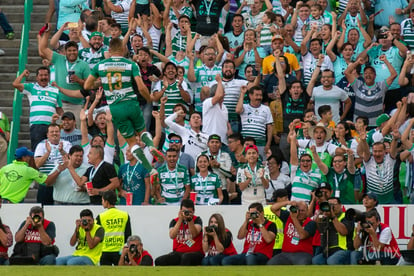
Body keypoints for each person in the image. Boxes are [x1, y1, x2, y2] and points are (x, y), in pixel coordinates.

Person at [84, 37, 163, 176]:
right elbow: (141, 86)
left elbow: (87, 85)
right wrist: (149, 98)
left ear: (109, 50)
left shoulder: (100, 66)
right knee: (142, 131)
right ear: (122, 49)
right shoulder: (130, 64)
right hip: (131, 103)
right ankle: (151, 147)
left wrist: (101, 82)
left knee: (132, 142)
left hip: (116, 108)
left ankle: (150, 170)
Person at [38, 29, 90, 124]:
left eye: (74, 50)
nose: (72, 53)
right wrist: (46, 34)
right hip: (59, 104)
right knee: (59, 132)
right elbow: (43, 49)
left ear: (77, 51)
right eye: (69, 50)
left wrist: (78, 80)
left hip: (76, 105)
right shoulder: (59, 58)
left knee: (76, 133)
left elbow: (88, 86)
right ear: (65, 51)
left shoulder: (84, 65)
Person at [12, 67, 63, 150]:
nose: (43, 77)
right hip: (36, 125)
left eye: (46, 75)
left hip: (51, 126)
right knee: (37, 151)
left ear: (49, 76)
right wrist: (23, 75)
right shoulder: (31, 87)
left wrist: (65, 119)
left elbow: (59, 109)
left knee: (52, 150)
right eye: (41, 75)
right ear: (37, 77)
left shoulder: (55, 90)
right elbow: (15, 84)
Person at [155, 199, 204, 266]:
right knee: (159, 260)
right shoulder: (174, 221)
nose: (186, 213)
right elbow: (172, 236)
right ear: (180, 211)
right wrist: (180, 219)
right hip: (178, 253)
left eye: (189, 211)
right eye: (184, 211)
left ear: (193, 211)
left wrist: (190, 220)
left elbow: (194, 234)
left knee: (186, 257)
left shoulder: (197, 220)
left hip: (195, 253)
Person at [267, 201, 317, 265]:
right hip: (285, 253)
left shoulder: (311, 223)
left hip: (303, 254)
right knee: (271, 264)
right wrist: (288, 202)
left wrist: (294, 218)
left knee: (302, 265)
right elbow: (273, 208)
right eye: (298, 210)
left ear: (307, 211)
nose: (300, 213)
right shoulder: (288, 217)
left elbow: (302, 236)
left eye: (303, 211)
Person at [34, 123, 72, 205]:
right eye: (52, 132)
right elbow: (37, 164)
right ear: (47, 134)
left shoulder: (66, 144)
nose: (54, 133)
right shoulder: (41, 145)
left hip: (62, 185)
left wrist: (62, 151)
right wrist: (48, 152)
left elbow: (71, 161)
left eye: (57, 131)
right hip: (46, 185)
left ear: (60, 133)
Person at [357, 129, 398, 204]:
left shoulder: (390, 159)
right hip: (372, 202)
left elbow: (393, 150)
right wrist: (363, 141)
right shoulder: (369, 161)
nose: (377, 154)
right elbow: (366, 151)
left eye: (380, 151)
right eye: (375, 151)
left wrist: (395, 139)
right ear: (372, 151)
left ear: (384, 151)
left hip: (389, 201)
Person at [312, 197, 354, 265]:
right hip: (328, 250)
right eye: (329, 205)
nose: (331, 207)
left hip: (343, 249)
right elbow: (319, 228)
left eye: (333, 204)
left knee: (332, 261)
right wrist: (321, 212)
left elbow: (343, 232)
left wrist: (333, 216)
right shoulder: (326, 218)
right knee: (316, 260)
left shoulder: (346, 216)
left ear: (340, 205)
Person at [96, 190, 132, 265]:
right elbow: (128, 234)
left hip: (105, 250)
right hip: (119, 251)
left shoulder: (101, 216)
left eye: (102, 200)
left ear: (107, 202)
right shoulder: (125, 215)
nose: (102, 202)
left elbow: (97, 236)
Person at [236, 86, 273, 155]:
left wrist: (268, 144)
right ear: (250, 96)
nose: (259, 97)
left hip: (260, 143)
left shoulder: (266, 109)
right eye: (256, 95)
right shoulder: (244, 106)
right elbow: (238, 110)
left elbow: (270, 127)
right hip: (246, 143)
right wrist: (242, 94)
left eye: (260, 95)